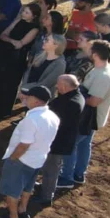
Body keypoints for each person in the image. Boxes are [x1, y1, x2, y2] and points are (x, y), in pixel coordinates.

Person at [0, 86, 59, 218]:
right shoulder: (53, 117)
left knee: (12, 190)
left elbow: (24, 144)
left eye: (29, 97)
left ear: (37, 101)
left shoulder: (32, 119)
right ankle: (23, 210)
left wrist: (13, 158)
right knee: (27, 187)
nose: (26, 98)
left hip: (22, 160)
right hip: (38, 159)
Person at [58, 40, 110, 188]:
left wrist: (76, 94)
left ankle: (66, 177)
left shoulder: (103, 76)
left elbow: (94, 101)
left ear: (95, 54)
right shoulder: (100, 69)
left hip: (89, 118)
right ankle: (78, 174)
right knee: (84, 145)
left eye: (89, 50)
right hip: (92, 119)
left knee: (70, 144)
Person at [0, 3, 41, 118]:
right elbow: (3, 35)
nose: (23, 14)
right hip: (4, 54)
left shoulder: (34, 29)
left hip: (17, 59)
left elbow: (20, 44)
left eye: (27, 12)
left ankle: (3, 111)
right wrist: (11, 41)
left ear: (34, 16)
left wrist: (9, 40)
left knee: (9, 84)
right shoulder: (18, 21)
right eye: (24, 11)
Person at [36, 75, 85, 205]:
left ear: (64, 86)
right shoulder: (76, 96)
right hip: (60, 140)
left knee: (51, 169)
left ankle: (46, 197)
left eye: (58, 84)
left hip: (57, 142)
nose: (56, 86)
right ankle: (45, 189)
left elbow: (54, 121)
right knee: (50, 168)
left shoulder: (69, 103)